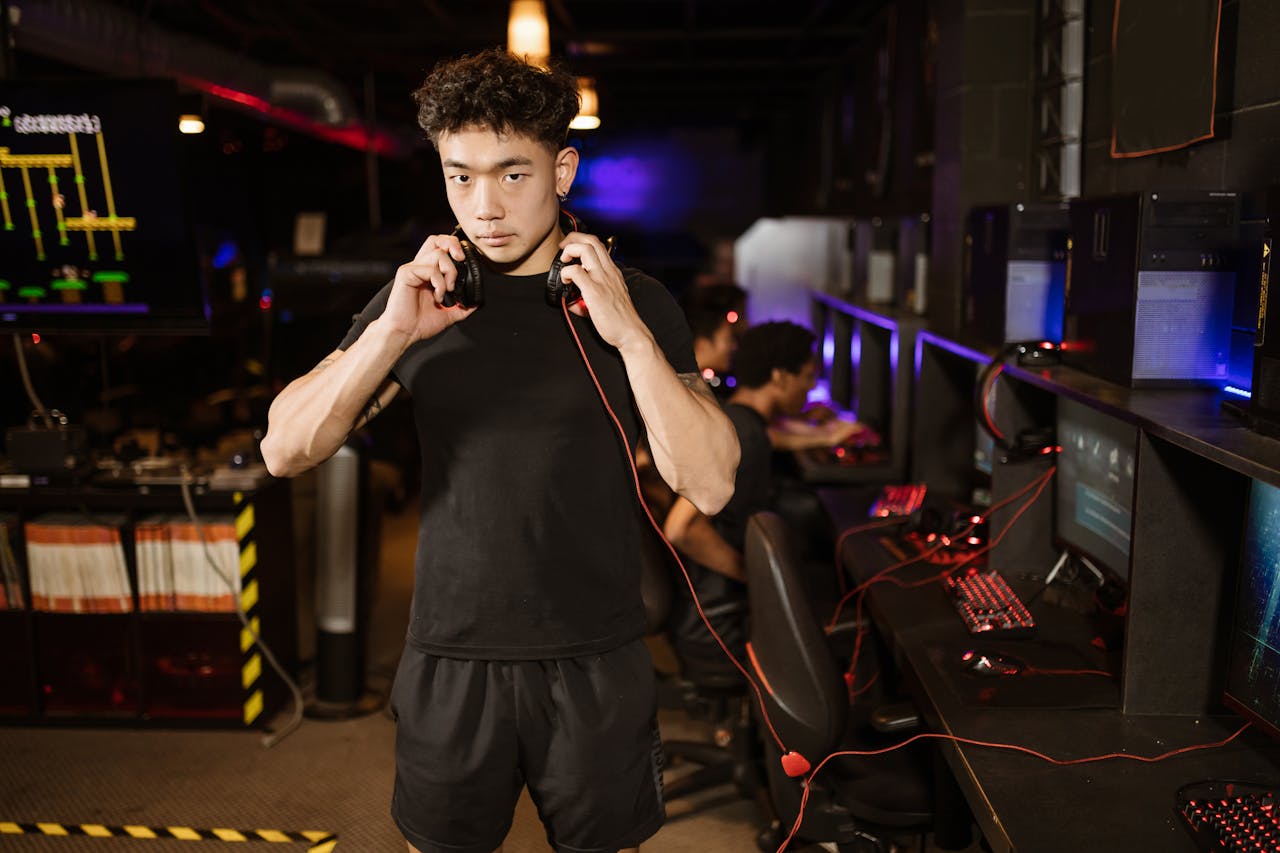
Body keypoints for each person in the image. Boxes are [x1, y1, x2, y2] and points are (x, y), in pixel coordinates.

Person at [259, 48, 739, 853]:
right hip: (452, 656)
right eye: (460, 176)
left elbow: (712, 482)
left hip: (596, 657)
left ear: (563, 170)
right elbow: (285, 448)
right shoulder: (423, 295)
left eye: (512, 175)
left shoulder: (636, 301)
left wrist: (629, 336)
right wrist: (390, 336)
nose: (483, 206)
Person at [661, 321, 829, 671]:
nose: (811, 387)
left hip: (704, 619)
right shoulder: (745, 438)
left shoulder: (735, 420)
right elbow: (681, 528)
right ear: (780, 376)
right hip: (718, 629)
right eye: (808, 376)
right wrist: (756, 579)